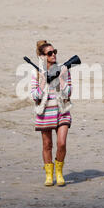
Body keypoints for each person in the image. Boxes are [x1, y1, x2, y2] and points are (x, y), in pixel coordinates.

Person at [30, 40, 72, 186]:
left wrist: (61, 79)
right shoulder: (36, 73)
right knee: (47, 145)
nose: (53, 55)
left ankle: (59, 172)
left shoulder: (63, 70)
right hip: (45, 113)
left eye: (55, 52)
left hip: (62, 111)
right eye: (49, 53)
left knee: (61, 143)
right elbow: (35, 96)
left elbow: (68, 93)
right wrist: (42, 82)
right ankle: (49, 175)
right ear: (42, 57)